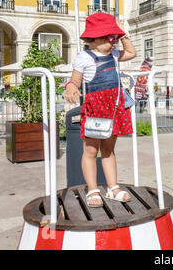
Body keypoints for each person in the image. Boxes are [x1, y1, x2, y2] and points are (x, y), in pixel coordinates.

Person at [65, 12, 137, 208]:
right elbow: (75, 80)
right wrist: (71, 87)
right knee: (90, 150)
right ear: (94, 39)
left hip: (113, 107)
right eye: (111, 38)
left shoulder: (113, 54)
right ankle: (93, 189)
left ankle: (113, 187)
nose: (114, 42)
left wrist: (124, 37)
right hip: (96, 109)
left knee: (108, 150)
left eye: (115, 38)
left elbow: (131, 53)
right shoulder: (84, 57)